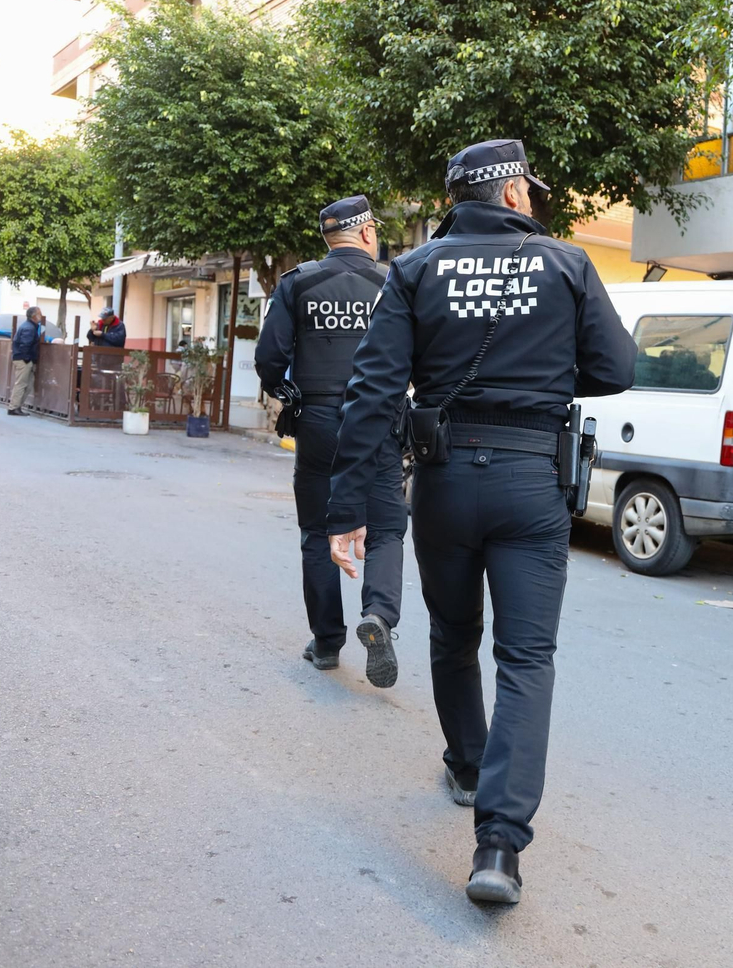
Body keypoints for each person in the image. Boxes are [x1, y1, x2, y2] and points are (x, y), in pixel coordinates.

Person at [325, 139, 636, 905]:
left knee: (453, 635)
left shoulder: (415, 268)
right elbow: (616, 371)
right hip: (533, 479)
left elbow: (371, 392)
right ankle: (498, 847)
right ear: (515, 196)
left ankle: (466, 764)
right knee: (526, 659)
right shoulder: (565, 265)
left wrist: (346, 509)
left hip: (443, 478)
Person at [254, 196, 407, 688]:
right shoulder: (392, 283)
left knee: (318, 532)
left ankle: (325, 643)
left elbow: (269, 359)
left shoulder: (298, 282)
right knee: (385, 526)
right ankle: (379, 615)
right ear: (366, 234)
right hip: (379, 420)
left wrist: (289, 394)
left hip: (318, 422)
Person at [7, 307, 43, 416]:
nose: (41, 315)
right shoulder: (29, 328)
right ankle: (14, 407)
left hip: (23, 359)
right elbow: (25, 345)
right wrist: (28, 359)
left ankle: (16, 407)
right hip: (24, 360)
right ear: (34, 316)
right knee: (22, 384)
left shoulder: (28, 326)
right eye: (39, 313)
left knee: (26, 385)